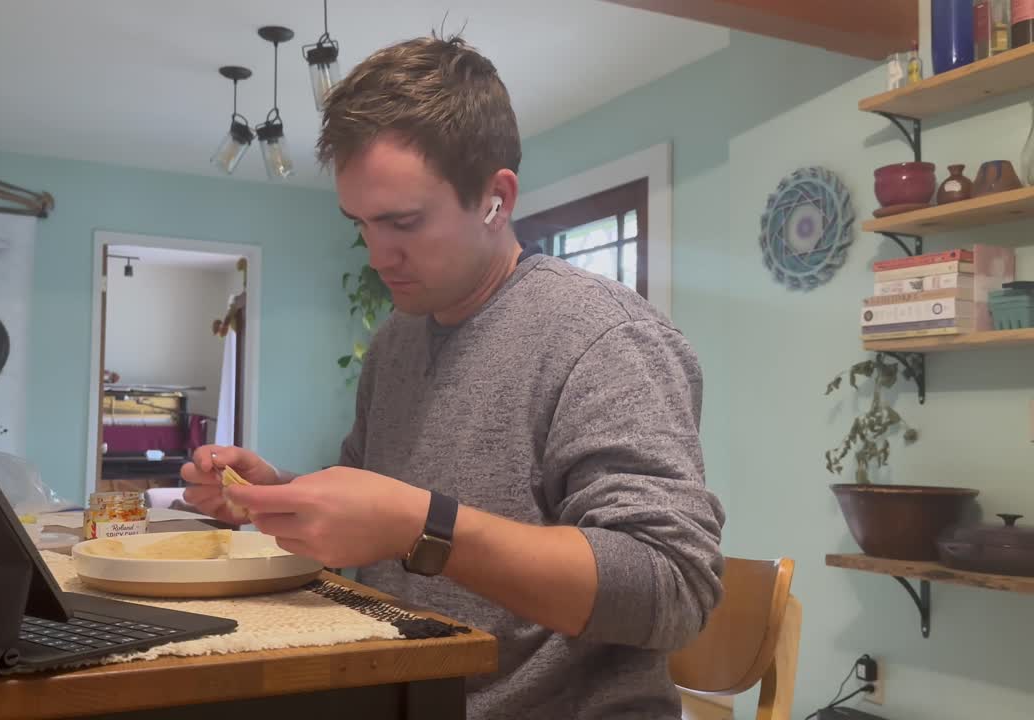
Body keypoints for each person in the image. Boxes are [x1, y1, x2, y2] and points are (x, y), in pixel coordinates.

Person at [181, 33, 725, 720]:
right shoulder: (395, 342)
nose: (378, 255)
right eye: (361, 225)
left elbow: (672, 589)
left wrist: (422, 526)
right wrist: (278, 495)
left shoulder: (605, 337)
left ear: (496, 198)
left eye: (403, 222)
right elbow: (376, 510)